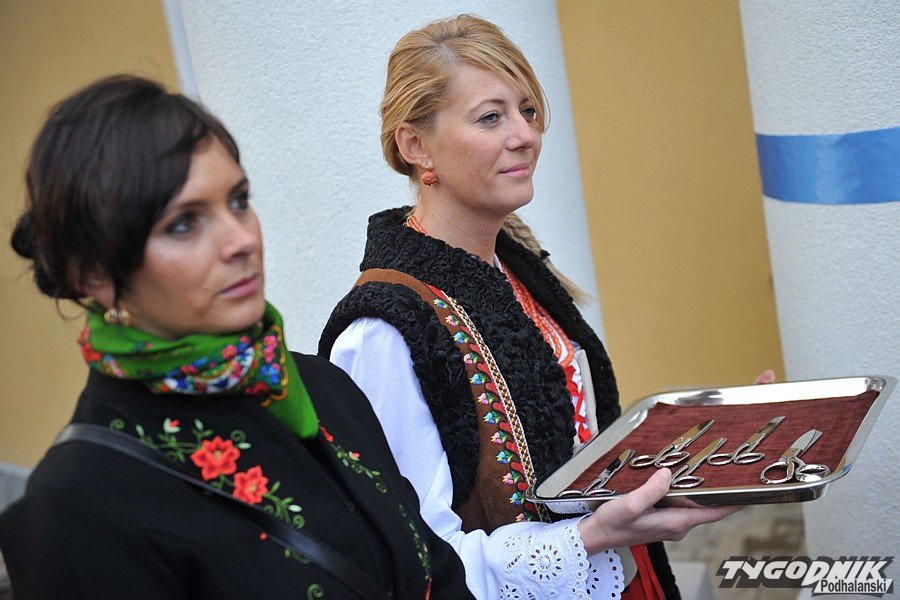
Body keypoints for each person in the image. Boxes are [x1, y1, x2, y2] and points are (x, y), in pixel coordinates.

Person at [320, 14, 748, 599]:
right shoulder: (382, 332)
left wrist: (714, 451)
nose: (525, 135)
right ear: (415, 145)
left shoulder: (517, 266)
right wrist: (589, 537)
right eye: (490, 117)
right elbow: (420, 560)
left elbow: (576, 449)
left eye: (527, 110)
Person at [0, 75, 474, 600]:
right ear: (92, 273)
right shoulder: (75, 506)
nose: (240, 239)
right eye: (184, 224)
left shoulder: (322, 387)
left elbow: (438, 575)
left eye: (239, 200)